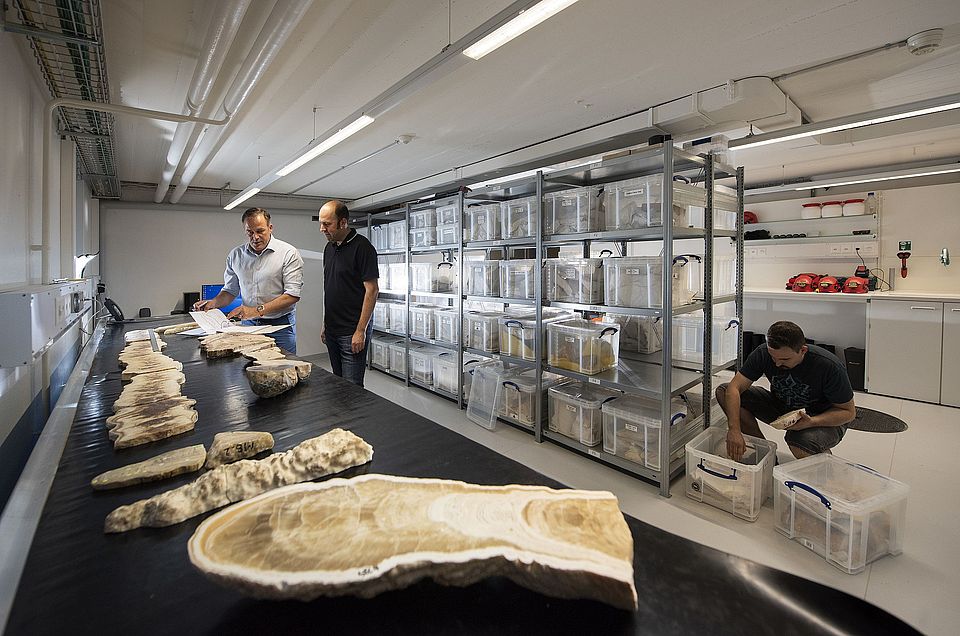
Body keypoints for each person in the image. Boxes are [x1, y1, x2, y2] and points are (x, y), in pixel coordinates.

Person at [716, 321, 856, 461]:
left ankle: (822, 465)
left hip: (822, 417)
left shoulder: (829, 366)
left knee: (799, 442)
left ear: (803, 350)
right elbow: (734, 388)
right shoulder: (763, 353)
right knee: (724, 391)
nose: (777, 363)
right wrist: (734, 429)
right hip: (784, 407)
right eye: (773, 357)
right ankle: (765, 455)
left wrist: (812, 422)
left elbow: (848, 413)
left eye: (784, 359)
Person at [193, 207, 303, 353]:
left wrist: (255, 310)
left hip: (280, 325)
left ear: (270, 228)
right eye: (250, 232)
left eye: (260, 231)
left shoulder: (288, 253)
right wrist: (213, 303)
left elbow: (292, 295)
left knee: (284, 368)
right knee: (248, 368)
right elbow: (230, 291)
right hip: (248, 325)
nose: (255, 237)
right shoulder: (236, 255)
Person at [319, 200, 379, 387]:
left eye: (327, 224)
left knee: (353, 388)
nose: (322, 229)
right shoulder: (329, 249)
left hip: (352, 331)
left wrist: (360, 331)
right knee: (338, 383)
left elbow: (372, 290)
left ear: (343, 223)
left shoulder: (363, 247)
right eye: (321, 223)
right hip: (332, 329)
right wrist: (325, 324)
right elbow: (331, 288)